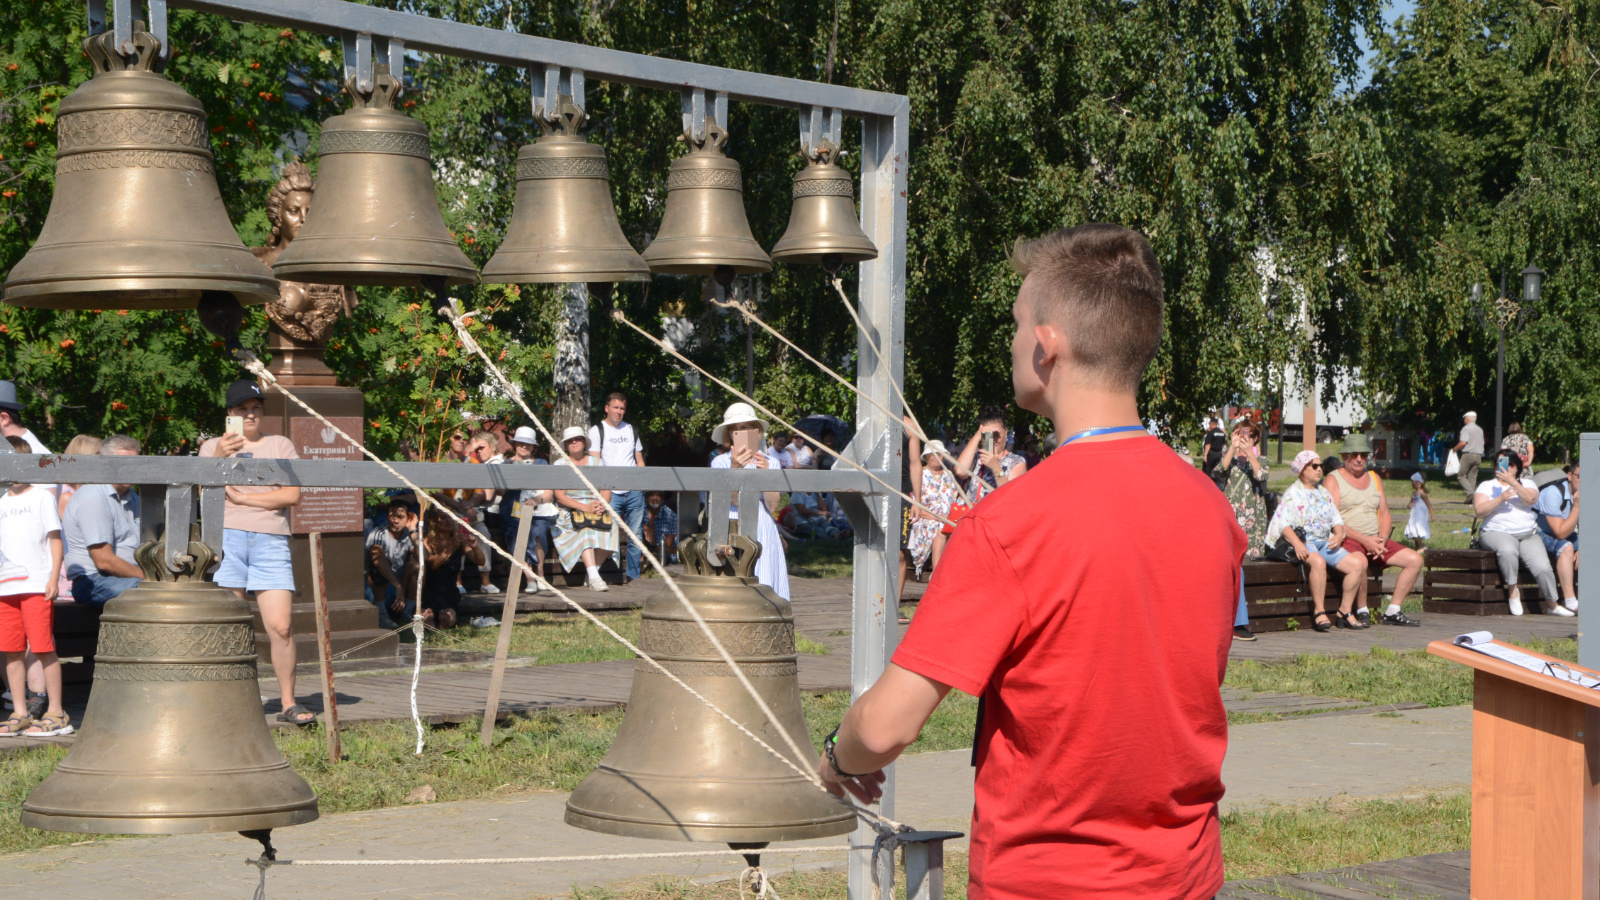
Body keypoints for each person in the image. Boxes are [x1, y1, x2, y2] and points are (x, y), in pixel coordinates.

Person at [818, 223, 1244, 900]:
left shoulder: (1012, 522)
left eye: (1017, 324)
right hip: (1185, 876)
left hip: (1048, 881)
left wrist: (838, 756)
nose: (1012, 342)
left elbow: (886, 723)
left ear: (1047, 347)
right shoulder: (1209, 507)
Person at [198, 380, 309, 726]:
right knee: (232, 625)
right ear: (230, 413)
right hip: (227, 537)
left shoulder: (279, 443)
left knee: (281, 625)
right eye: (242, 408)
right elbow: (204, 492)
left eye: (256, 408)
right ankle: (232, 699)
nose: (250, 414)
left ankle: (288, 702)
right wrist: (218, 457)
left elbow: (291, 496)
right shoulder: (211, 446)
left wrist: (247, 499)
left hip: (270, 539)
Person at [0, 434, 70, 737]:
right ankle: (20, 711)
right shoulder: (1, 501)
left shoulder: (42, 497)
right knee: (11, 650)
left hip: (36, 584)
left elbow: (55, 539)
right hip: (5, 588)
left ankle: (57, 711)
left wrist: (54, 577)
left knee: (43, 647)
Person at [1325, 433, 1423, 626]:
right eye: (1354, 455)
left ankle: (1393, 611)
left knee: (1415, 560)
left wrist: (1383, 539)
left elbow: (1385, 513)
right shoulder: (1333, 479)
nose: (1360, 459)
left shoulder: (1374, 478)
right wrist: (1365, 540)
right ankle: (1362, 610)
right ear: (1345, 456)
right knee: (1359, 561)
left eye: (1363, 454)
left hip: (1376, 539)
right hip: (1348, 539)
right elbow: (1333, 519)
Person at [1264, 450, 1367, 630]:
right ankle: (1319, 611)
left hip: (1325, 542)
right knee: (1318, 562)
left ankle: (1345, 610)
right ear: (1302, 469)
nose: (1319, 469)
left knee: (1357, 565)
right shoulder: (1293, 493)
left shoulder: (1323, 493)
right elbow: (1284, 525)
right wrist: (1297, 544)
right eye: (1314, 466)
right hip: (1304, 541)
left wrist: (1339, 534)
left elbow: (1336, 519)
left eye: (1321, 466)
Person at [709, 403, 790, 600]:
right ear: (729, 434)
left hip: (762, 524)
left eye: (745, 427)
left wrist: (767, 475)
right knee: (736, 582)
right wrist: (735, 469)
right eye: (735, 429)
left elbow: (773, 505)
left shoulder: (770, 462)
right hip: (731, 523)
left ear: (755, 431)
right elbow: (735, 500)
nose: (740, 432)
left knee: (767, 579)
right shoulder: (720, 462)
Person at [1474, 449, 1569, 617]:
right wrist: (1500, 499)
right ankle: (1513, 591)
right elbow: (1479, 510)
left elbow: (1531, 499)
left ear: (1517, 467)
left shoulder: (1527, 483)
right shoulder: (1487, 486)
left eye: (1510, 464)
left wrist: (1513, 483)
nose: (1506, 468)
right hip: (1496, 532)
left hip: (1527, 533)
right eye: (1501, 463)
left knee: (1543, 567)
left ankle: (1552, 604)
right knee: (1508, 549)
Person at [62, 435, 142, 605]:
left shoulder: (132, 496)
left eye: (135, 464)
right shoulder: (93, 496)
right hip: (93, 581)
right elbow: (104, 561)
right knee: (155, 592)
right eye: (123, 464)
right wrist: (152, 580)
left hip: (125, 578)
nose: (131, 469)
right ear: (104, 463)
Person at [1212, 418, 1268, 641]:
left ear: (1255, 438)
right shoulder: (1230, 459)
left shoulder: (1260, 459)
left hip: (1252, 523)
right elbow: (1219, 472)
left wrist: (1250, 453)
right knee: (1233, 565)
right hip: (1230, 520)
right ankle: (1236, 622)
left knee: (1240, 566)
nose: (1243, 437)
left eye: (1247, 434)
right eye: (1238, 433)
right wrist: (1233, 448)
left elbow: (1262, 476)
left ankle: (1237, 621)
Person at [589, 393, 647, 583]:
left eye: (622, 408)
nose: (619, 412)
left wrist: (642, 484)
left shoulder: (631, 429)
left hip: (633, 489)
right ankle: (596, 574)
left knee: (635, 535)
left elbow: (639, 460)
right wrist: (598, 491)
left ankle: (633, 577)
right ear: (607, 408)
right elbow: (594, 462)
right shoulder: (597, 430)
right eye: (615, 408)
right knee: (607, 533)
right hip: (609, 490)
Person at [552, 426, 618, 591]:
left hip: (595, 506)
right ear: (566, 445)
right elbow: (560, 496)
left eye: (578, 439)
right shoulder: (560, 464)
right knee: (586, 530)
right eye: (570, 440)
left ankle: (593, 573)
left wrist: (601, 505)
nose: (574, 442)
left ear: (584, 442)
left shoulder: (597, 462)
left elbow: (606, 489)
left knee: (613, 527)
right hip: (570, 510)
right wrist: (585, 508)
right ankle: (595, 577)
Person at [411, 502, 486, 628]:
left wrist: (475, 547)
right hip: (428, 592)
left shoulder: (459, 540)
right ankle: (431, 624)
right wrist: (452, 545)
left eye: (450, 516)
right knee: (427, 618)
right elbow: (433, 564)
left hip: (449, 593)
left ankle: (441, 624)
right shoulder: (427, 542)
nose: (448, 521)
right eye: (443, 517)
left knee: (449, 618)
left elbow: (480, 561)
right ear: (434, 521)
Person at [505, 426, 557, 589]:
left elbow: (549, 493)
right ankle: (530, 578)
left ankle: (540, 574)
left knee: (538, 531)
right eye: (520, 443)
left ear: (534, 447)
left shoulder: (542, 464)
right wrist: (508, 473)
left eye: (528, 444)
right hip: (512, 510)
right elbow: (498, 491)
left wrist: (537, 499)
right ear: (515, 445)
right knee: (515, 534)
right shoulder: (506, 464)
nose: (524, 446)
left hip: (538, 511)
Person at [955, 406, 1028, 504]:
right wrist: (977, 436)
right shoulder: (976, 457)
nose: (993, 440)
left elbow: (1010, 497)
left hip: (995, 517)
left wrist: (996, 468)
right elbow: (960, 471)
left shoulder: (1016, 462)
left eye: (997, 435)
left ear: (1006, 432)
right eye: (988, 435)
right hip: (971, 516)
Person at [908, 440, 959, 576]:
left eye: (940, 454)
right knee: (940, 531)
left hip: (946, 522)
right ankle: (937, 576)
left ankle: (938, 576)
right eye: (933, 454)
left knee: (945, 529)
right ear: (926, 456)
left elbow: (955, 501)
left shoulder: (949, 475)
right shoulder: (919, 474)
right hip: (924, 520)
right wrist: (938, 518)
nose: (937, 457)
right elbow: (914, 507)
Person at [365, 499, 417, 629]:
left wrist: (413, 529)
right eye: (392, 516)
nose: (395, 520)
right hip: (380, 588)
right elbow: (377, 559)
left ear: (408, 518)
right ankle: (381, 614)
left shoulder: (408, 535)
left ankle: (407, 611)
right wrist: (398, 586)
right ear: (387, 517)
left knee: (417, 564)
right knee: (378, 569)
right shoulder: (378, 533)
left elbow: (424, 558)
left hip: (401, 586)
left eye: (400, 517)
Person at [1535, 463, 1579, 612]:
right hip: (1538, 532)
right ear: (1570, 476)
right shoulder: (1553, 492)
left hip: (1564, 530)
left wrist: (1583, 546)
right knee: (1566, 547)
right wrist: (1578, 506)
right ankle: (1570, 600)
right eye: (1580, 477)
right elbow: (1559, 533)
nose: (1584, 482)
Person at [641, 490, 678, 565]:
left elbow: (668, 543)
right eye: (651, 495)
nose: (655, 498)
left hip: (665, 558)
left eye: (658, 495)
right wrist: (643, 526)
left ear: (662, 499)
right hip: (642, 555)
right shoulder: (639, 513)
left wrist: (648, 555)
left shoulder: (671, 515)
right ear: (646, 498)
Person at [1453, 411, 1484, 495]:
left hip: (1468, 454)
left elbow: (1463, 442)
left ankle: (1470, 494)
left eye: (1464, 419)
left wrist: (1454, 449)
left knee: (1461, 475)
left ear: (1467, 419)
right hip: (1478, 455)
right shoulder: (1479, 429)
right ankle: (1472, 499)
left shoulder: (1466, 428)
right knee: (1472, 477)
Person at [1404, 472, 1433, 548]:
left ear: (1419, 482)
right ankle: (1420, 546)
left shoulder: (1422, 494)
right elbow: (1410, 503)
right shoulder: (1413, 494)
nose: (1412, 483)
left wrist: (1432, 515)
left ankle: (1421, 547)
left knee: (1416, 530)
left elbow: (1429, 505)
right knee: (1412, 530)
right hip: (1413, 516)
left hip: (1420, 516)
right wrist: (1409, 505)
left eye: (1413, 481)